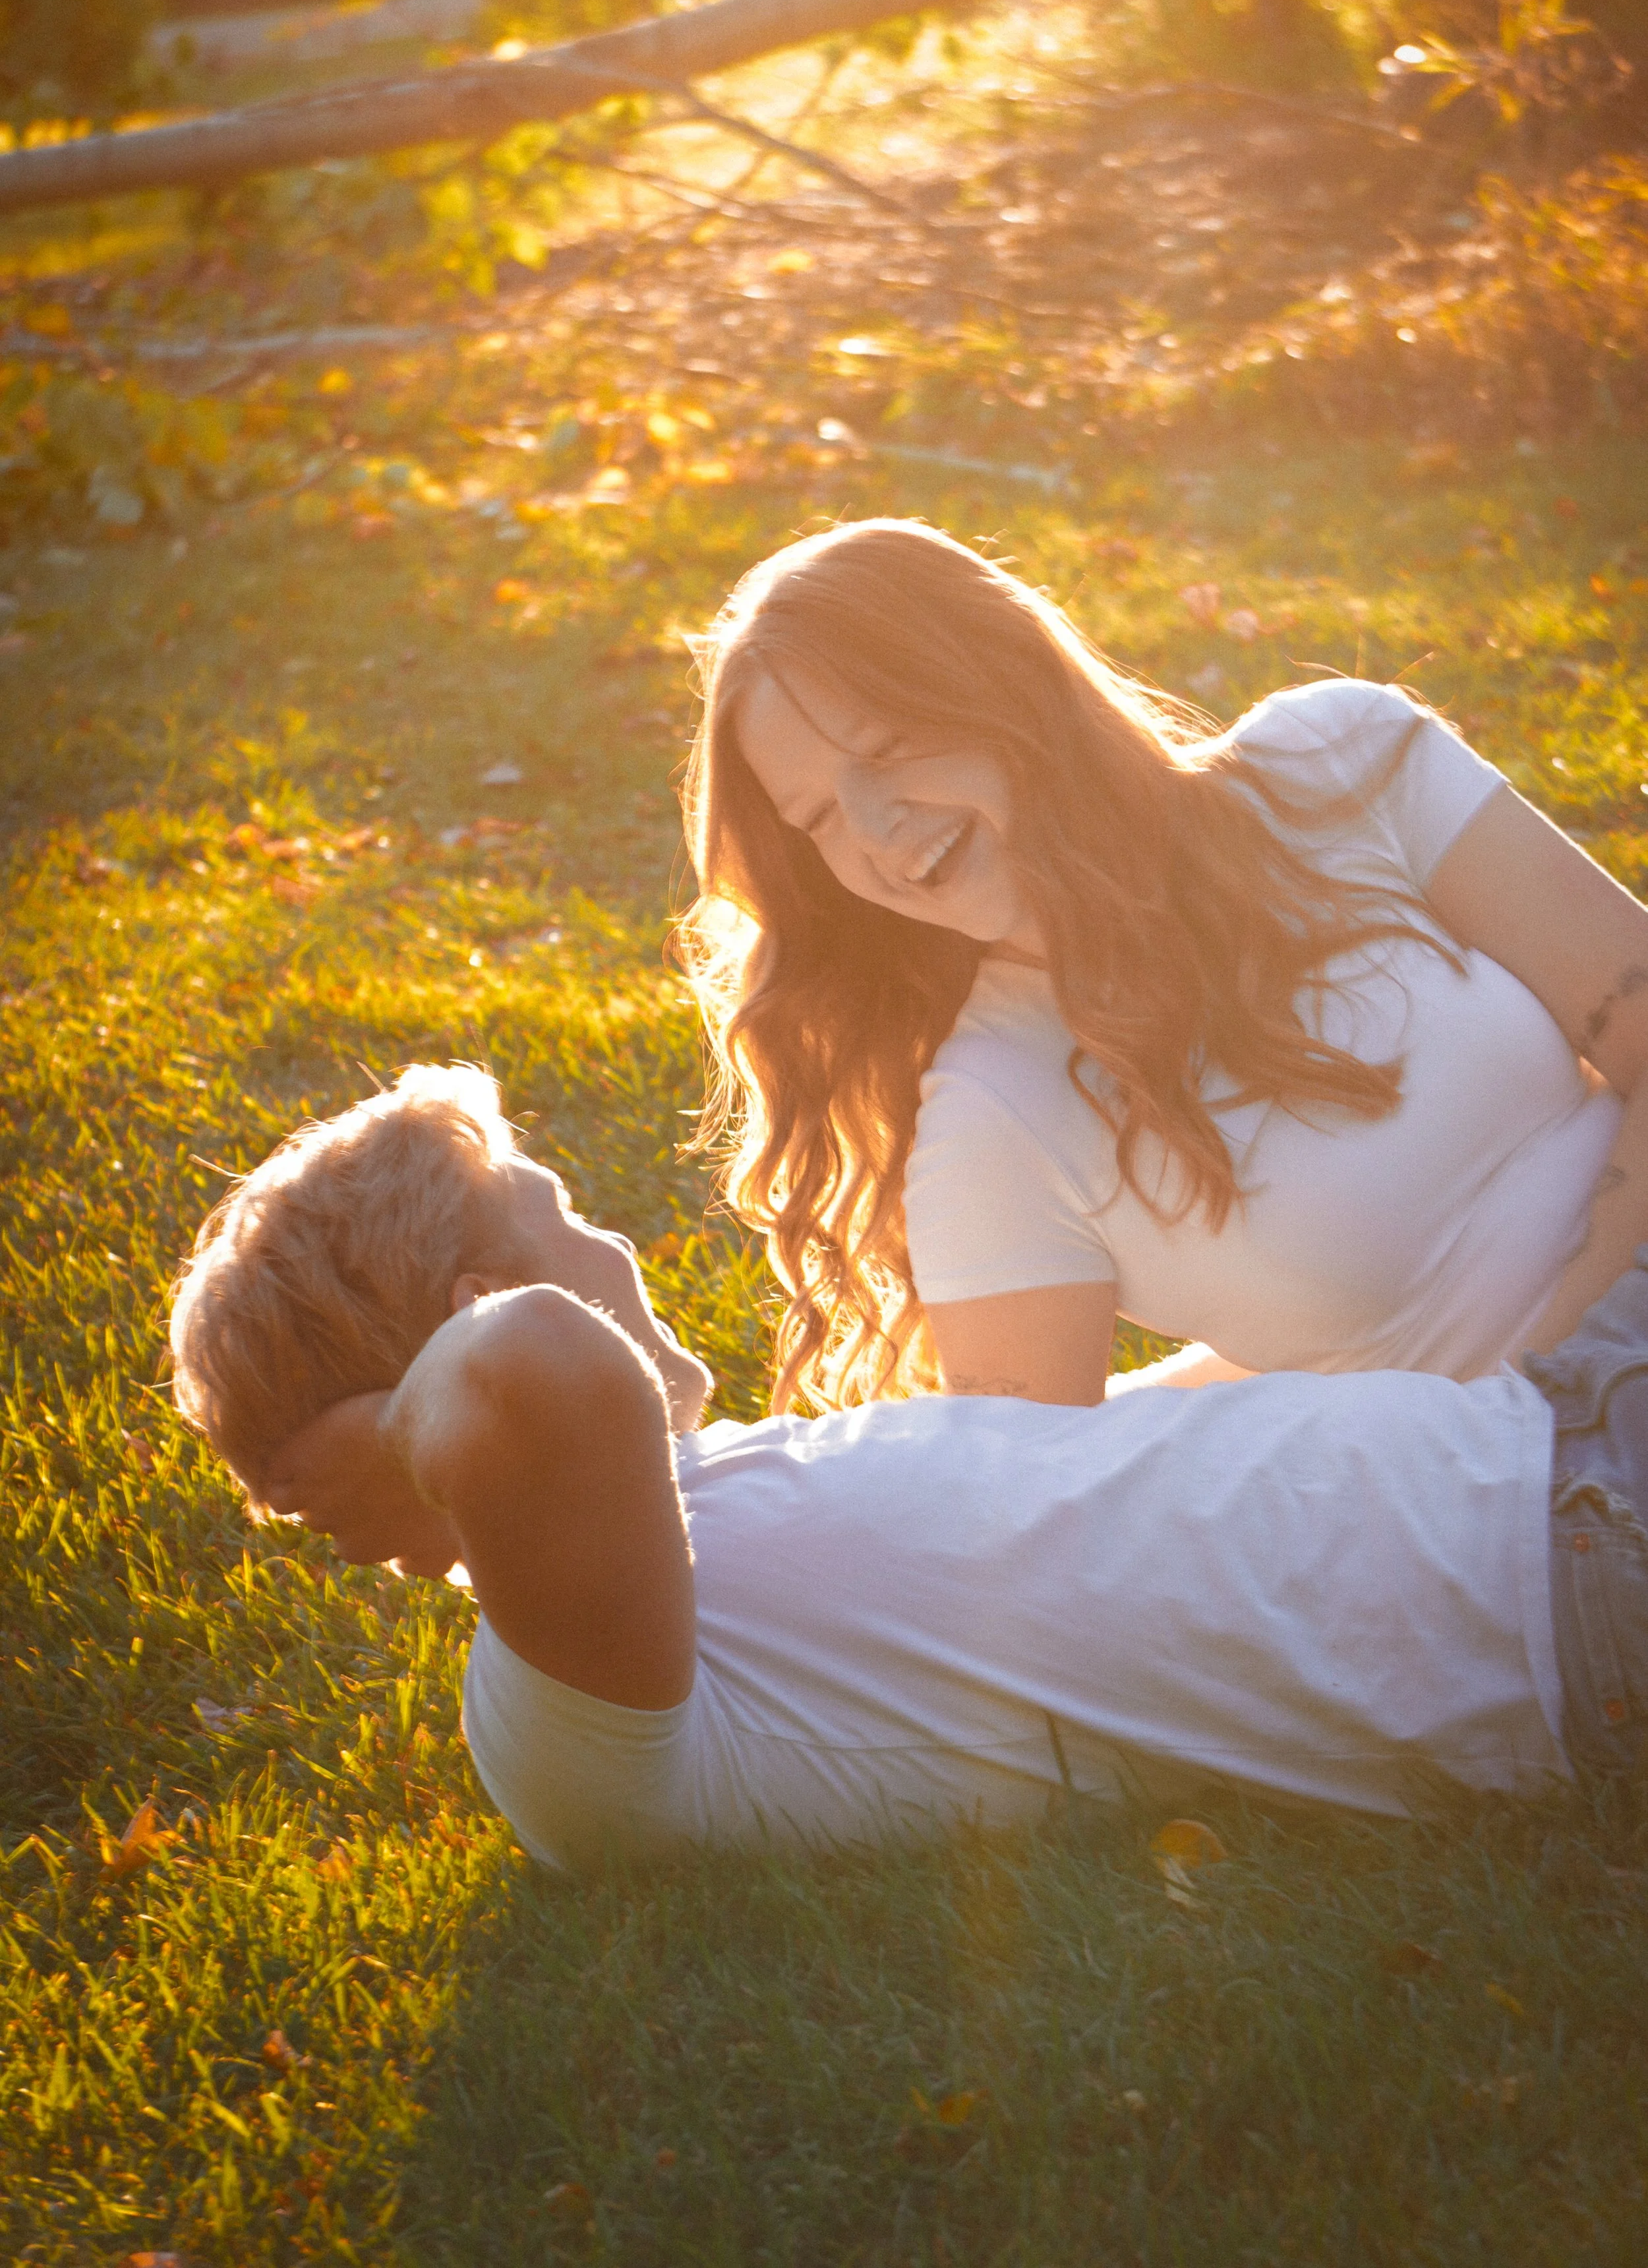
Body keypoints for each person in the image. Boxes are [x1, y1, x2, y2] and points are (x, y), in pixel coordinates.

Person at [169, 1065, 1648, 1871]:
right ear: (458, 1323)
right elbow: (538, 1367)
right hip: (1569, 1565)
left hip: (1548, 1433)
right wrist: (397, 1442)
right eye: (561, 1214)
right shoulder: (559, 1710)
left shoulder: (720, 1514)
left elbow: (1117, 1457)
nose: (615, 1249)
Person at [679, 519, 1648, 1410]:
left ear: (1003, 680)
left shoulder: (1343, 762)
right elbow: (1043, 1495)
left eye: (886, 748)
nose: (878, 831)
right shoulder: (995, 1111)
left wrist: (1574, 1331)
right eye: (818, 818)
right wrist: (1549, 1380)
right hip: (1561, 1472)